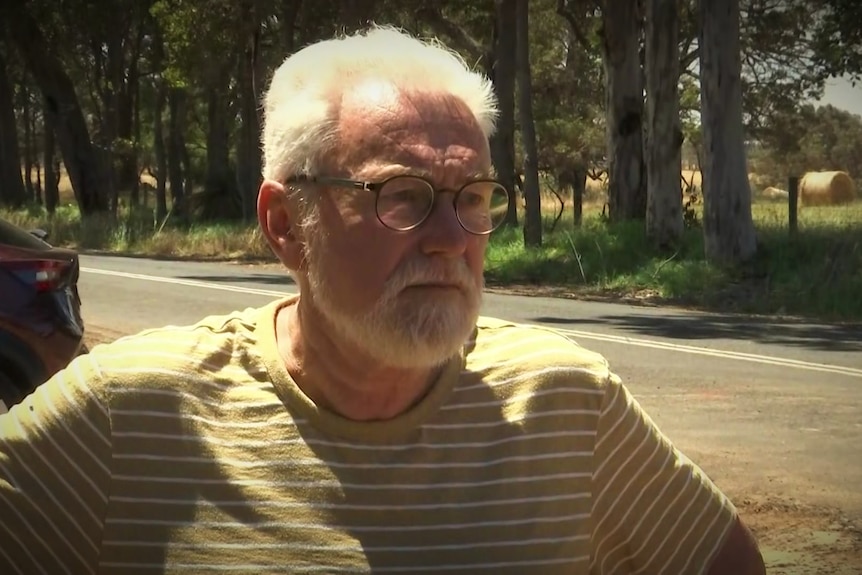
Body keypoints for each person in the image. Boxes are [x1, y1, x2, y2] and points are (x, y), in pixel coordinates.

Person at [0, 26, 765, 574]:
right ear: (283, 223)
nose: (449, 236)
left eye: (474, 196)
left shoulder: (569, 402)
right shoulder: (125, 413)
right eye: (402, 196)